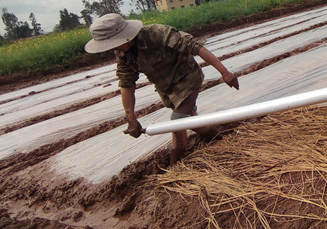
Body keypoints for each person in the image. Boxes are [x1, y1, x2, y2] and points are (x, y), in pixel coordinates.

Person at [84, 13, 240, 165]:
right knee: (191, 121)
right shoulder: (123, 54)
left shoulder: (159, 34)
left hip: (188, 79)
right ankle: (220, 139)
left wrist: (225, 73)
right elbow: (126, 84)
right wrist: (131, 118)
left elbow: (196, 47)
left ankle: (175, 165)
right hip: (167, 89)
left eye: (113, 43)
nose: (113, 49)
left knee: (177, 122)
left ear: (125, 36)